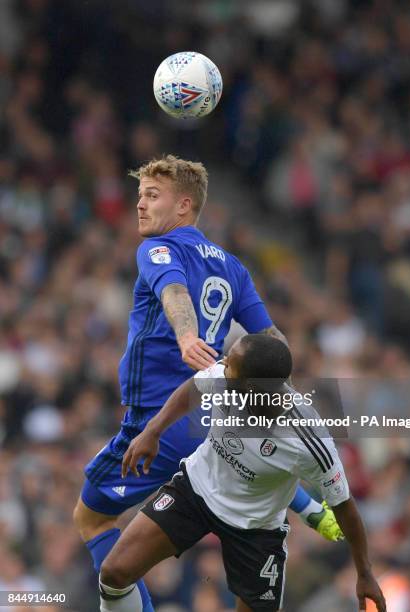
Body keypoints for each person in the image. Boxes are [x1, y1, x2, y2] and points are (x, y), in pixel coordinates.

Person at [73, 155, 342, 611]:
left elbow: (173, 291)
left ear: (183, 206)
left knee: (92, 520)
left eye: (152, 196)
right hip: (214, 417)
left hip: (160, 417)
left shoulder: (158, 250)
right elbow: (273, 340)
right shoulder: (234, 268)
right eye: (139, 195)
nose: (140, 205)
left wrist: (185, 336)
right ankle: (310, 507)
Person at [99, 334, 386, 612]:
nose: (222, 363)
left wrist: (364, 572)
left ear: (250, 385)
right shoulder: (225, 378)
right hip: (196, 490)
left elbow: (345, 506)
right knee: (114, 574)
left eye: (230, 363)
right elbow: (194, 388)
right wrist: (153, 431)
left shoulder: (307, 439)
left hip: (255, 529)